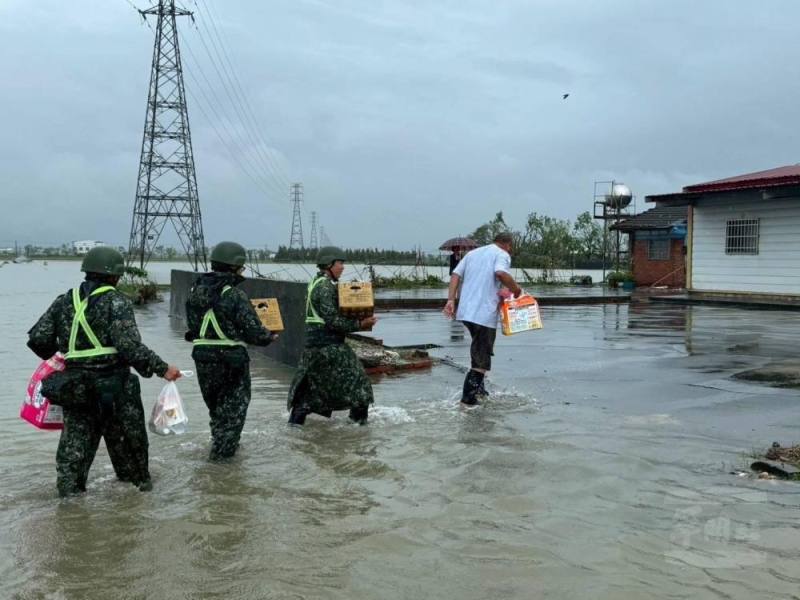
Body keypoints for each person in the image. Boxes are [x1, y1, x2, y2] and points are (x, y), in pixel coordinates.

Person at [27, 247, 181, 497]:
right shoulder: (116, 300)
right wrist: (162, 369)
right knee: (132, 455)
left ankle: (69, 507)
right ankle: (135, 501)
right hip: (115, 388)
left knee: (73, 458)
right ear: (115, 276)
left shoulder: (64, 300)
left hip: (75, 388)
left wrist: (70, 353)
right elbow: (129, 346)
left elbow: (38, 340)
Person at [185, 241, 278, 461]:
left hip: (202, 359)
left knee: (216, 410)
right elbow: (254, 332)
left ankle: (220, 449)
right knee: (234, 413)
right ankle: (221, 468)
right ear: (235, 267)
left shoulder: (195, 290)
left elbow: (192, 327)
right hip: (231, 361)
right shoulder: (234, 295)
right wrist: (269, 336)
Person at [286, 246, 378, 425]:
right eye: (339, 263)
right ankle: (358, 427)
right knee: (361, 385)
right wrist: (361, 324)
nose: (343, 267)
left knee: (310, 389)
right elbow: (334, 321)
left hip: (315, 346)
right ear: (329, 264)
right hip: (328, 346)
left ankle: (294, 426)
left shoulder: (315, 283)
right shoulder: (326, 288)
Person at [443, 231, 522, 406]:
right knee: (482, 358)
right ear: (508, 245)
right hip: (483, 314)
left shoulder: (473, 253)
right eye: (510, 248)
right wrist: (516, 289)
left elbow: (455, 275)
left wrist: (451, 300)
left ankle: (480, 390)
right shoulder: (502, 254)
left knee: (478, 347)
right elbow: (501, 273)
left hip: (466, 312)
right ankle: (468, 400)